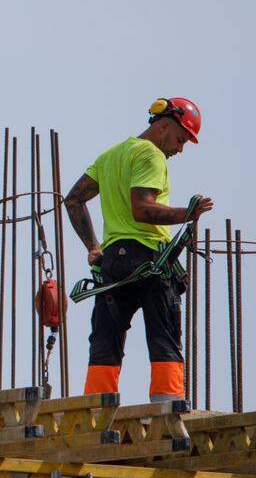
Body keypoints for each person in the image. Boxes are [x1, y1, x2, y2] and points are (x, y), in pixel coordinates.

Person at [62, 97, 215, 402]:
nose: (180, 149)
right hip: (148, 260)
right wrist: (188, 213)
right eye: (181, 139)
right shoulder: (151, 154)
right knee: (164, 334)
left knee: (105, 338)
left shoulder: (111, 155)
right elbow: (142, 210)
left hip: (113, 264)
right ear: (164, 126)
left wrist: (93, 247)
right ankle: (167, 407)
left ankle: (96, 407)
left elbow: (73, 199)